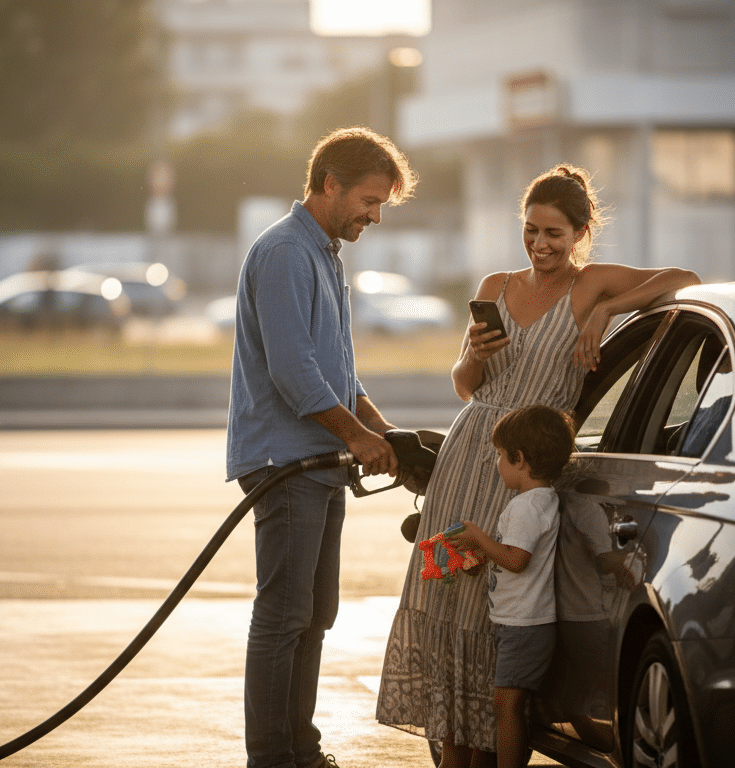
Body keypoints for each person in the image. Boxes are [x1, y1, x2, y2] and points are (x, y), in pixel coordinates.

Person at [375, 164, 700, 767]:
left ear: (580, 233)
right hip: (468, 453)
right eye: (530, 231)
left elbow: (685, 277)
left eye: (554, 233)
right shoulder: (496, 283)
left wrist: (607, 312)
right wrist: (472, 353)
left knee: (493, 604)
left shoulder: (591, 284)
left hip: (527, 471)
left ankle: (487, 745)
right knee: (444, 596)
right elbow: (465, 388)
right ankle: (452, 748)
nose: (540, 245)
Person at [227, 126, 418, 768]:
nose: (376, 215)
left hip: (321, 464)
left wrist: (385, 436)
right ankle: (272, 758)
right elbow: (293, 369)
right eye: (369, 199)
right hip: (288, 464)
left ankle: (299, 749)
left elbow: (339, 373)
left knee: (313, 616)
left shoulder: (324, 255)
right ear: (329, 184)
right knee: (284, 617)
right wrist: (359, 436)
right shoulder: (285, 252)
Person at [447, 405, 575, 768]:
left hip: (524, 627)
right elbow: (511, 555)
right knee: (508, 706)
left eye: (500, 456)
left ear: (519, 459)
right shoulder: (539, 501)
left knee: (507, 708)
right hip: (518, 623)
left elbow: (517, 561)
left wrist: (478, 537)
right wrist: (482, 554)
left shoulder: (527, 507)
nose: (497, 464)